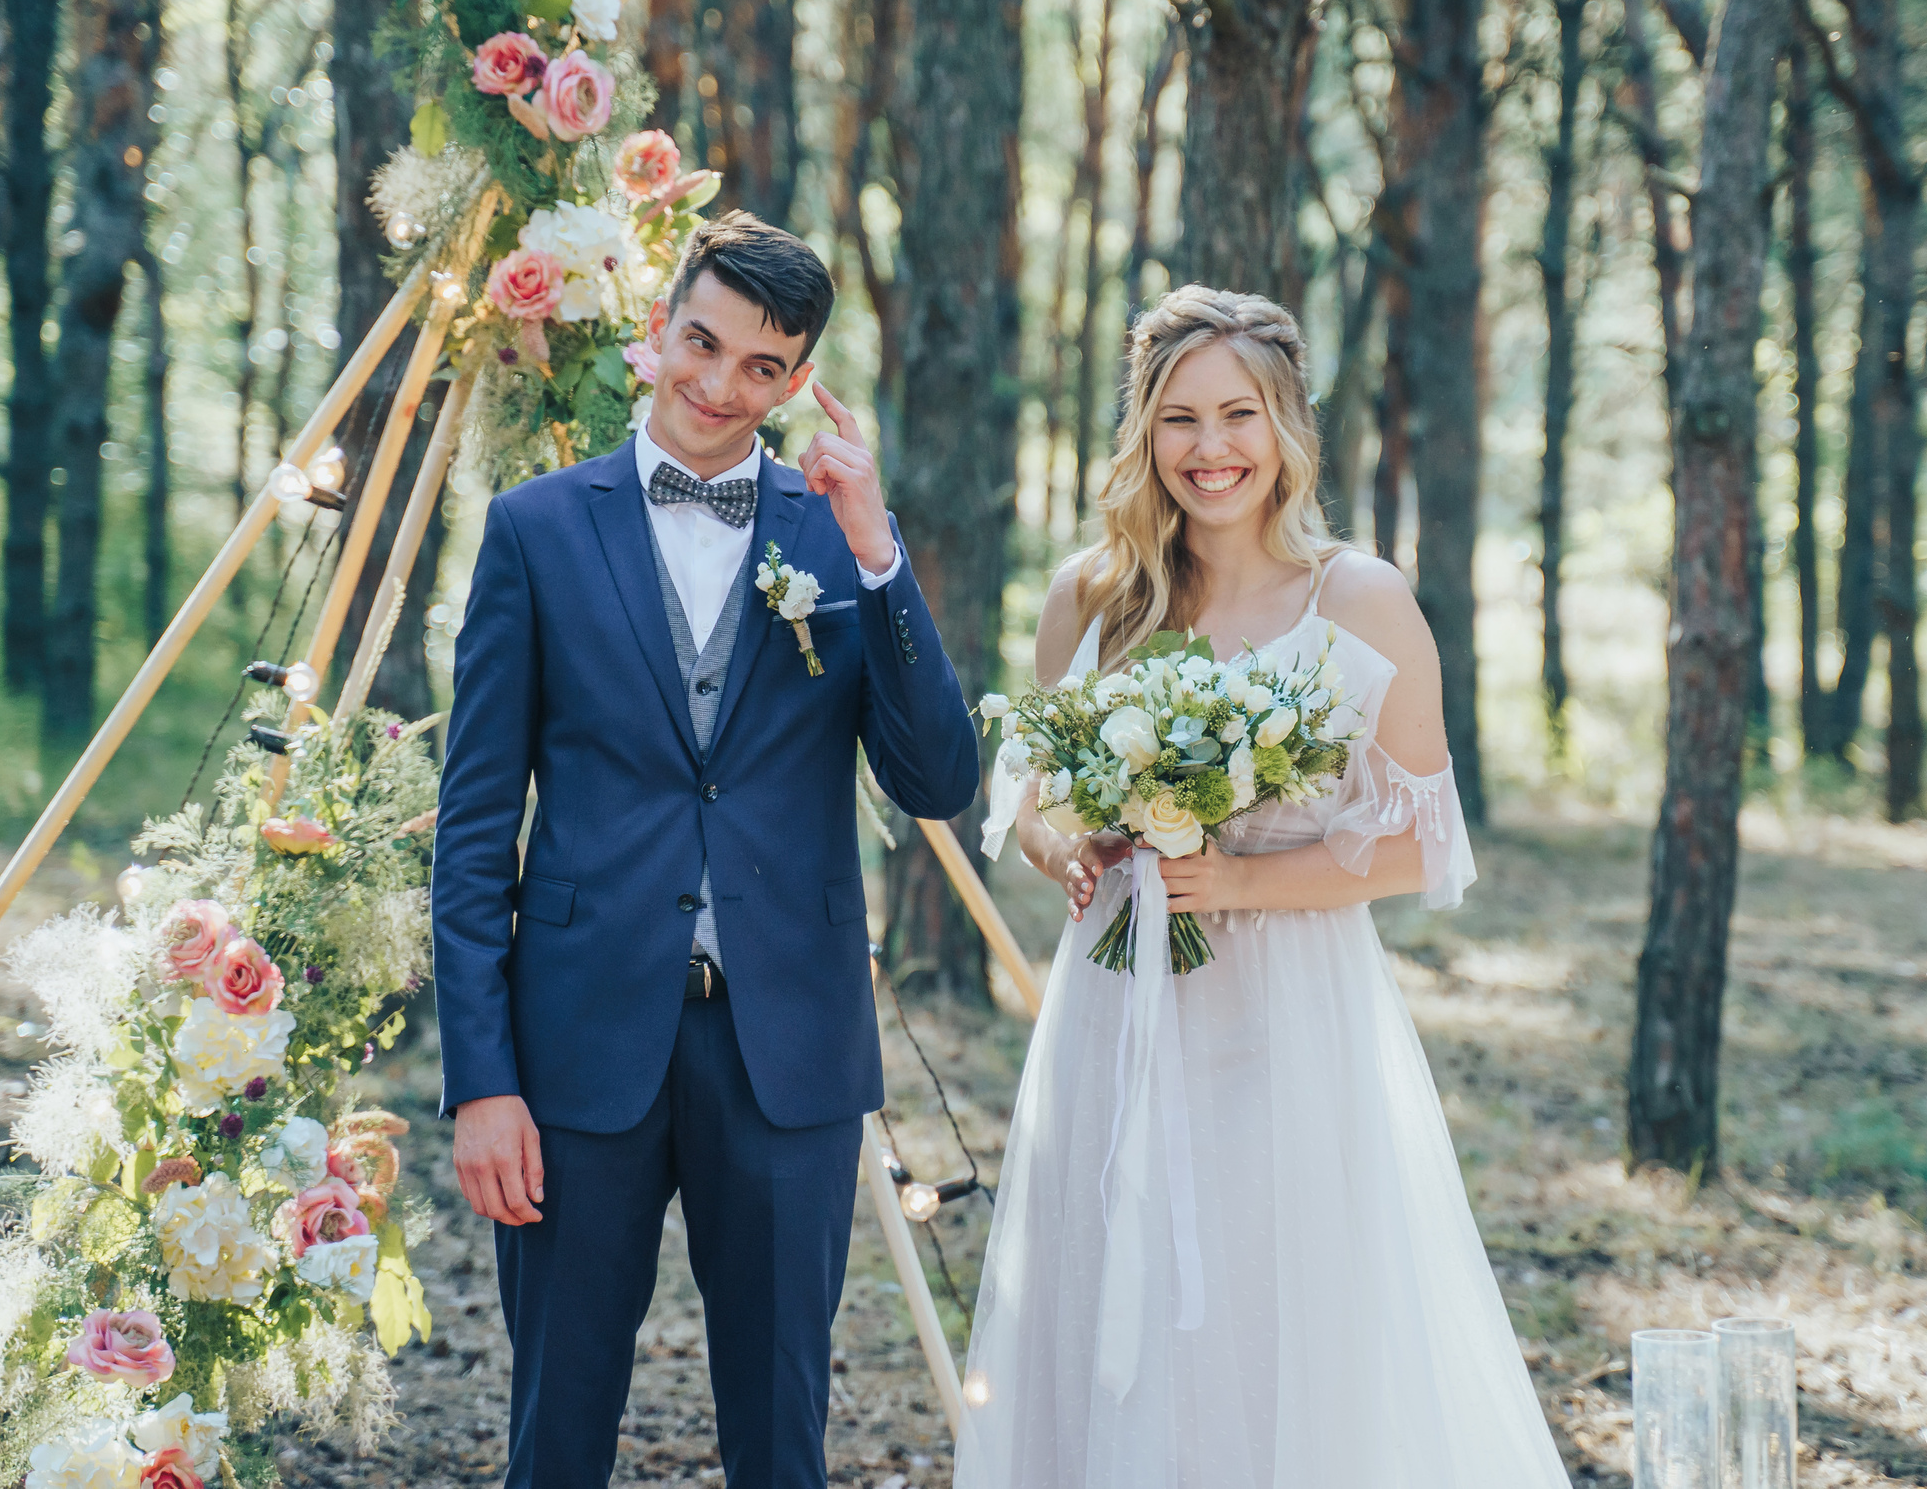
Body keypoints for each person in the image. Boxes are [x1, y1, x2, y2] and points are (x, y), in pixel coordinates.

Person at [956, 287, 1571, 1487]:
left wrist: (1236, 875)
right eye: (1179, 419)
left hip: (1289, 1017)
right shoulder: (1092, 596)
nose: (1211, 448)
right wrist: (1070, 847)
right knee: (1115, 1297)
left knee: (1267, 1311)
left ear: (1286, 426)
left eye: (1238, 414)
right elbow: (1028, 800)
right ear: (1144, 432)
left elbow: (1422, 846)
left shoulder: (1358, 598)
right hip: (1115, 1009)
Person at [431, 211, 983, 1489]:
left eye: (760, 366)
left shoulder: (834, 535)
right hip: (575, 1054)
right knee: (556, 1432)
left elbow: (938, 780)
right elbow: (473, 832)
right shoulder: (534, 530)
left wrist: (877, 555)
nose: (720, 385)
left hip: (787, 1052)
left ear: (797, 383)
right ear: (656, 331)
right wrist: (482, 1081)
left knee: (782, 1440)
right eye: (702, 343)